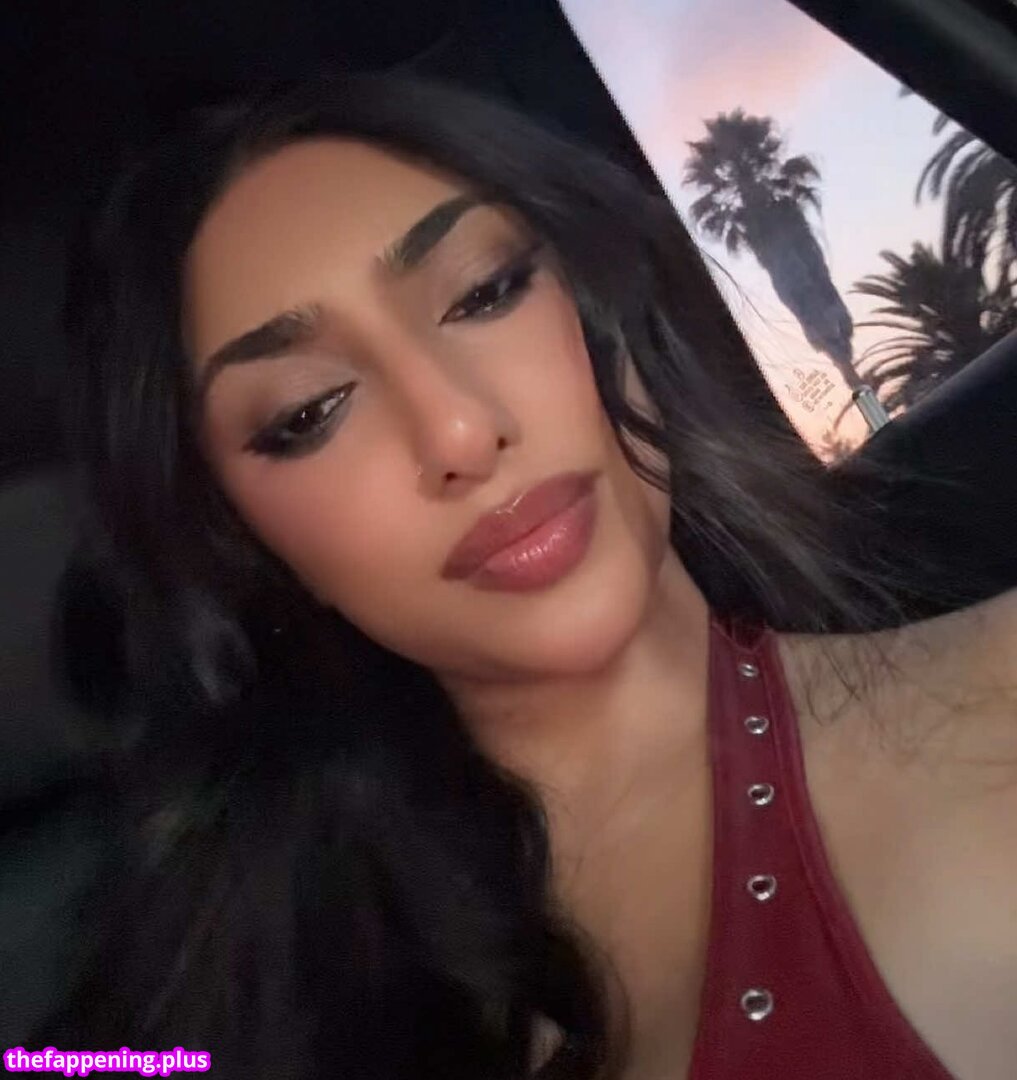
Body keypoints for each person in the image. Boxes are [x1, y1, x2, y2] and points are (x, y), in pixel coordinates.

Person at [39, 71, 1016, 1080]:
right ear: (247, 548)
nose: (459, 430)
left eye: (485, 292)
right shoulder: (235, 1009)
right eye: (308, 413)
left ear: (605, 315)